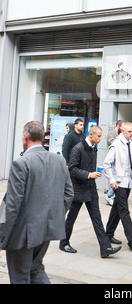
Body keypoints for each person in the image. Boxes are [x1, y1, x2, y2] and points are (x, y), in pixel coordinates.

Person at [0, 121, 74, 284]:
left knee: (20, 276)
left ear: (25, 137)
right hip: (46, 230)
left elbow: (12, 204)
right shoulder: (59, 161)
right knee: (35, 269)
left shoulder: (21, 163)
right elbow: (69, 195)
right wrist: (52, 217)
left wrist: (2, 236)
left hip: (22, 234)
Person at [59, 125, 121, 259]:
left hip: (90, 189)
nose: (100, 138)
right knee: (71, 218)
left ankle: (105, 248)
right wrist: (88, 174)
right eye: (98, 136)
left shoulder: (93, 147)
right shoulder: (78, 148)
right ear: (91, 135)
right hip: (78, 188)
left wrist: (94, 174)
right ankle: (63, 243)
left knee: (97, 219)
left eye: (101, 136)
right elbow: (72, 169)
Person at [104, 122, 132, 251]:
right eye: (129, 131)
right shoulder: (116, 144)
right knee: (124, 211)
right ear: (122, 130)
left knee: (117, 209)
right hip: (119, 183)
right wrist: (112, 180)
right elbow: (107, 164)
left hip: (128, 181)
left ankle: (108, 234)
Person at [105, 120, 124, 206]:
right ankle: (109, 195)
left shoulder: (120, 135)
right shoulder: (111, 133)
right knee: (114, 177)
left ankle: (111, 195)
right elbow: (112, 143)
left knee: (116, 177)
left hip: (118, 158)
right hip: (113, 159)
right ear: (119, 126)